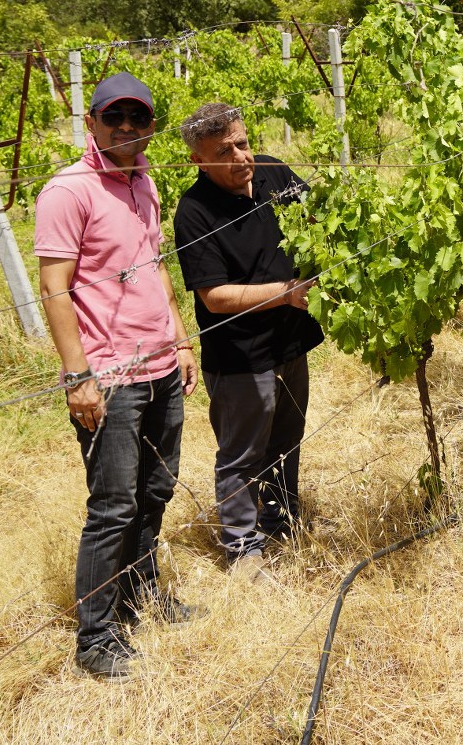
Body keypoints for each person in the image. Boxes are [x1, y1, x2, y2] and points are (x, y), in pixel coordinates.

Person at [33, 72, 200, 680]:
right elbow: (54, 290)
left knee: (155, 491)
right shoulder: (66, 191)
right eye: (114, 118)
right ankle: (95, 637)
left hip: (159, 362)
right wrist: (78, 376)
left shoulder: (144, 180)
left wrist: (179, 338)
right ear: (92, 123)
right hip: (110, 374)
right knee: (112, 505)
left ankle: (142, 595)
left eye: (138, 118)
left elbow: (154, 267)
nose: (126, 128)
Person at [173, 102, 324, 580]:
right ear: (198, 161)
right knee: (242, 454)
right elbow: (215, 297)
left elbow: (321, 225)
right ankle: (243, 549)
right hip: (239, 355)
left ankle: (282, 523)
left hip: (289, 341)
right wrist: (288, 293)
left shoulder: (277, 174)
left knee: (287, 438)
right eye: (225, 151)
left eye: (242, 142)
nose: (241, 157)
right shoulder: (194, 212)